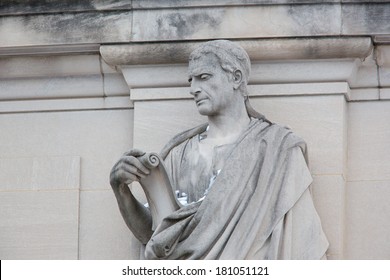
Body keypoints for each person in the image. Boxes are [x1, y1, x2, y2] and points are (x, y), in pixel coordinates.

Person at [110, 40, 329, 259]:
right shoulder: (178, 154)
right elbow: (156, 236)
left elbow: (303, 245)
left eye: (203, 77)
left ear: (236, 78)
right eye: (191, 80)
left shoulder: (278, 149)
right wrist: (121, 190)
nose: (193, 89)